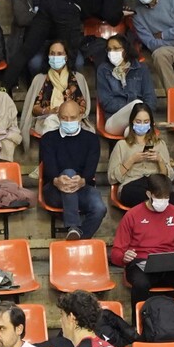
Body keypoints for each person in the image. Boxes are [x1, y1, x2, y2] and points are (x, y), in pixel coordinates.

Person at [0, 0, 133, 92]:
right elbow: (111, 16)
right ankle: (66, 95)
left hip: (48, 0)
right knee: (69, 56)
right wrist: (121, 14)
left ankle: (4, 87)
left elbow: (95, 7)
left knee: (27, 50)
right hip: (68, 9)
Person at [111, 173, 174, 311]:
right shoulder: (132, 215)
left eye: (166, 197)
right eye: (158, 197)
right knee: (141, 283)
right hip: (140, 264)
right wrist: (124, 257)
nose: (163, 201)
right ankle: (139, 322)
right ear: (148, 194)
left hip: (170, 265)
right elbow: (116, 252)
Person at [39, 98, 107, 241]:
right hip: (54, 190)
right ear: (58, 117)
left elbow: (90, 169)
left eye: (73, 117)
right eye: (64, 118)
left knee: (99, 208)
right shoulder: (48, 139)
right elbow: (49, 168)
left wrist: (82, 181)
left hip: (82, 187)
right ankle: (73, 226)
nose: (68, 121)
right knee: (68, 173)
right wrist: (57, 181)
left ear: (80, 117)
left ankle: (79, 240)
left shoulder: (92, 139)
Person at [107, 102, 174, 208]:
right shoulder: (122, 145)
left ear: (151, 123)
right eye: (138, 121)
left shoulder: (159, 144)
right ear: (132, 122)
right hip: (132, 184)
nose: (142, 125)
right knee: (137, 195)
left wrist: (160, 160)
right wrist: (131, 160)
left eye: (146, 122)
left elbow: (169, 177)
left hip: (155, 183)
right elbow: (112, 178)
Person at [22, 39, 92, 140]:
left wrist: (67, 112)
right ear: (48, 56)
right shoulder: (40, 79)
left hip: (73, 120)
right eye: (52, 54)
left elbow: (83, 107)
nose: (55, 57)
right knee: (51, 123)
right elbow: (34, 109)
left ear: (66, 57)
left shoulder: (77, 78)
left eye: (59, 54)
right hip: (47, 120)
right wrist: (48, 111)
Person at [95, 33, 157, 138]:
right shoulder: (103, 70)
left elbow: (150, 98)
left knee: (130, 131)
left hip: (139, 120)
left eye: (116, 49)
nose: (111, 52)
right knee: (137, 104)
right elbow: (106, 102)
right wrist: (133, 107)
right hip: (114, 120)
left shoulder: (141, 68)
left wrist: (141, 115)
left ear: (126, 50)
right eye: (109, 49)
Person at [9, 0, 59, 79]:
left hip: (57, 40)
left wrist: (37, 15)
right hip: (32, 42)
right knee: (35, 63)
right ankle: (37, 89)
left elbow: (66, 16)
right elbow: (22, 19)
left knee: (78, 61)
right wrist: (50, 17)